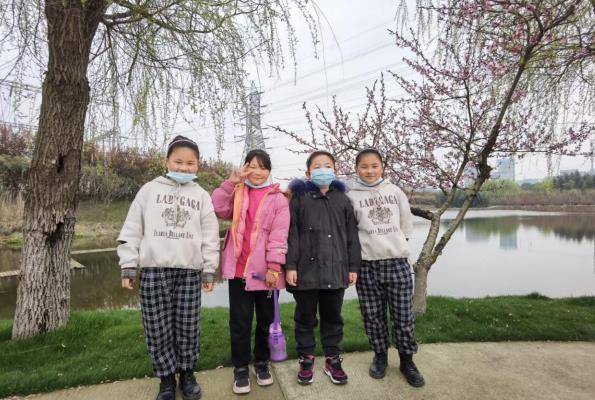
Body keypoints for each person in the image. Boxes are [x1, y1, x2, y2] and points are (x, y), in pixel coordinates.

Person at [118, 135, 220, 400]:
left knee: (188, 326)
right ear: (167, 161)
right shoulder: (149, 190)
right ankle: (166, 378)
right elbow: (132, 228)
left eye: (190, 163)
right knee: (157, 327)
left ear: (197, 165)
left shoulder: (201, 196)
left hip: (188, 273)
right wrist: (129, 265)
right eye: (178, 161)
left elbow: (210, 236)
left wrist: (209, 269)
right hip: (154, 270)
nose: (184, 167)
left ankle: (187, 374)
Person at [211, 149, 290, 395]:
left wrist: (274, 267)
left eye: (262, 167)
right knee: (240, 322)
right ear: (245, 167)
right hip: (239, 271)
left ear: (269, 171)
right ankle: (241, 368)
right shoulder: (237, 191)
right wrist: (230, 182)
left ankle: (261, 362)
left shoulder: (278, 199)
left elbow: (279, 235)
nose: (257, 172)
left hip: (266, 273)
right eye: (252, 166)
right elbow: (218, 208)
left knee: (266, 321)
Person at [346, 148, 425, 387]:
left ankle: (407, 360)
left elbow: (406, 224)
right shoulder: (351, 196)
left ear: (382, 167)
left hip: (396, 263)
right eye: (364, 166)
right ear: (356, 169)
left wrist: (396, 246)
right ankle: (380, 356)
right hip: (367, 265)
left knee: (403, 316)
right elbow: (350, 231)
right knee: (373, 316)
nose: (370, 171)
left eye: (374, 166)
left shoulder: (395, 191)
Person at [284, 150, 361, 386]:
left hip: (335, 270)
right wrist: (290, 266)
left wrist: (353, 267)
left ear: (335, 171)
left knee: (333, 317)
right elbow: (291, 235)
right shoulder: (299, 199)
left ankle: (332, 359)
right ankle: (306, 359)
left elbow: (352, 236)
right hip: (305, 272)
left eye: (328, 166)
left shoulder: (343, 200)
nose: (323, 170)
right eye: (317, 167)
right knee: (305, 317)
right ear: (308, 173)